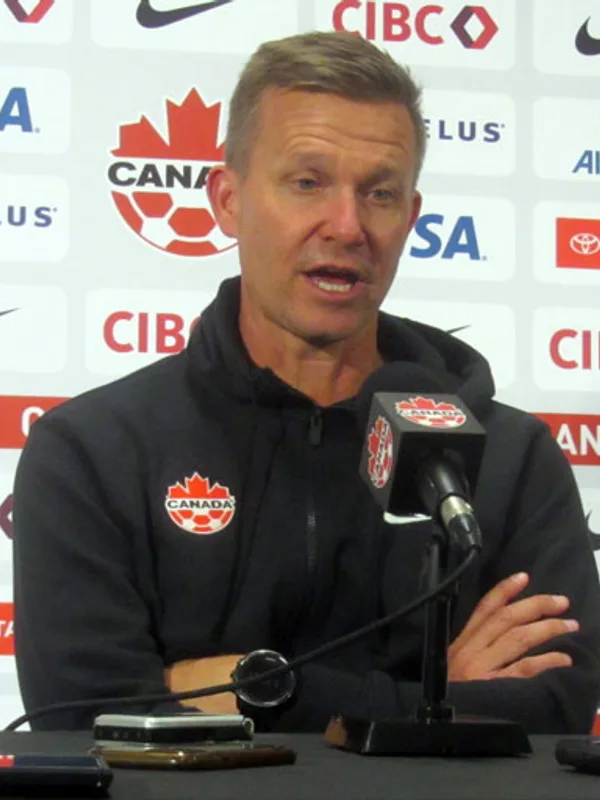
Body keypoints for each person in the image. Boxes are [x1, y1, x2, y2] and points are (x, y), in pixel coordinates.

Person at [12, 31, 600, 733]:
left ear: (411, 218)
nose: (347, 226)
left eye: (379, 193)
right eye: (307, 182)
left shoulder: (510, 456)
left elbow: (558, 705)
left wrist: (250, 686)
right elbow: (84, 710)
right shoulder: (91, 451)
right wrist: (436, 698)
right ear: (227, 199)